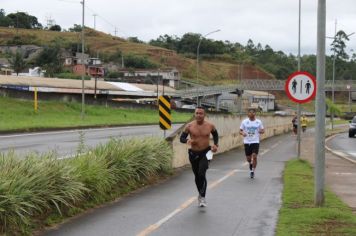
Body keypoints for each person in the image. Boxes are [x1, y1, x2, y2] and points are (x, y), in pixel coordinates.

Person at [180, 107, 219, 207]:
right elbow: (182, 138)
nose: (199, 115)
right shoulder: (189, 126)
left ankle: (203, 197)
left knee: (202, 172)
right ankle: (200, 194)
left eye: (201, 113)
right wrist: (187, 141)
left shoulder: (210, 125)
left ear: (204, 115)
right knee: (197, 176)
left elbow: (215, 134)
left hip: (207, 152)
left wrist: (216, 145)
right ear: (194, 114)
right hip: (193, 153)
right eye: (197, 113)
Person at [239, 107, 264, 178]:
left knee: (254, 156)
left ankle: (252, 171)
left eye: (253, 112)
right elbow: (240, 130)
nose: (251, 113)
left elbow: (263, 130)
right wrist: (242, 133)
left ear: (255, 114)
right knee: (248, 159)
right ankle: (250, 164)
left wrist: (260, 131)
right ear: (248, 114)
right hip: (247, 142)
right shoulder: (244, 122)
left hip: (255, 141)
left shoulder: (258, 122)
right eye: (250, 112)